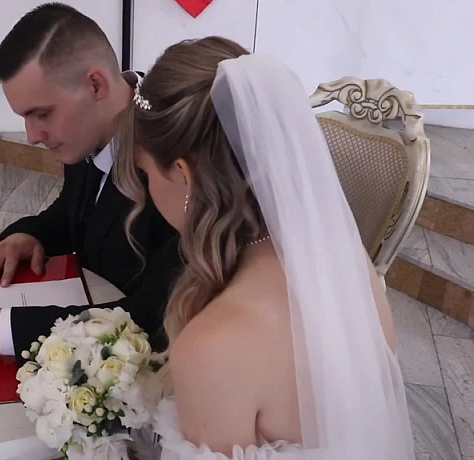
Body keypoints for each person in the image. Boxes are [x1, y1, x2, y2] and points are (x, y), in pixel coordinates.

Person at [113, 37, 415, 458]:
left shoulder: (212, 347)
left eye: (145, 173)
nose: (146, 191)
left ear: (183, 173)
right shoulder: (349, 265)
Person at [0, 3, 182, 363]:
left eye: (42, 114)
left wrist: (4, 329)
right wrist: (30, 235)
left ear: (95, 84)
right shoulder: (90, 130)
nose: (33, 135)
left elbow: (160, 314)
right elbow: (79, 214)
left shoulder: (175, 165)